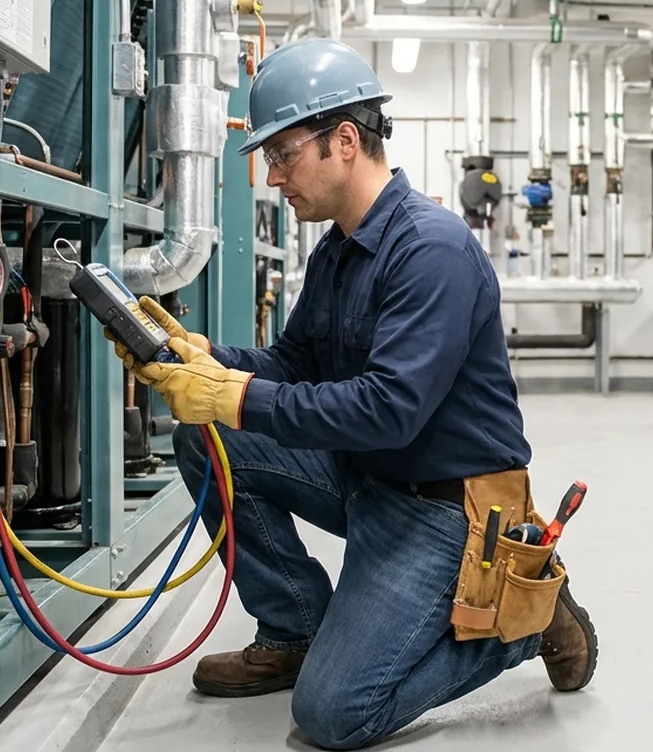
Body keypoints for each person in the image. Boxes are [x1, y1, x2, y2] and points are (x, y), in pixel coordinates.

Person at [111, 38, 598, 751]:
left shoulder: (432, 250)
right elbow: (294, 363)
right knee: (207, 437)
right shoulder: (337, 249)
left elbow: (389, 411)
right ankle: (295, 632)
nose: (275, 177)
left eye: (283, 155)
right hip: (368, 478)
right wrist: (203, 359)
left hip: (445, 508)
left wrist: (235, 395)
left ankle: (522, 623)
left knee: (334, 717)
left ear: (343, 140)